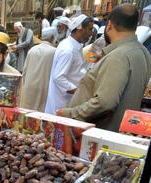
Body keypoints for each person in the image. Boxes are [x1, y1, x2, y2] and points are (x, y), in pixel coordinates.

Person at [57, 4, 151, 132]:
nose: (90, 33)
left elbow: (105, 102)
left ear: (110, 24)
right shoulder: (143, 52)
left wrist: (71, 113)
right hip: (118, 131)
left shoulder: (119, 56)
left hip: (101, 132)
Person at [44, 15, 94, 115]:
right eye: (89, 29)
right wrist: (78, 91)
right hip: (62, 102)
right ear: (80, 29)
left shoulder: (74, 46)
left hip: (68, 100)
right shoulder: (68, 50)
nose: (91, 33)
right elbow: (58, 77)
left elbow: (77, 70)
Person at [21, 27, 57, 112]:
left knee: (28, 111)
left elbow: (25, 70)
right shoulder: (54, 51)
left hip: (29, 85)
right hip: (44, 86)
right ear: (52, 37)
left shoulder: (32, 50)